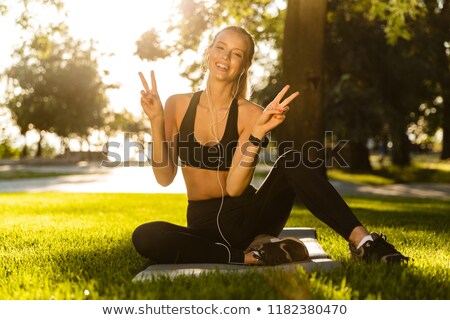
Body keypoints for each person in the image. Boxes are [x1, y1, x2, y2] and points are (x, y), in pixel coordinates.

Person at [132, 26, 409, 265]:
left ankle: (364, 243)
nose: (225, 58)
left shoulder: (252, 114)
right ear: (209, 52)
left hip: (250, 215)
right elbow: (164, 177)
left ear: (244, 66)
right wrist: (156, 121)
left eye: (237, 54)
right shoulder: (176, 105)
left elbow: (234, 188)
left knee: (292, 159)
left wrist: (257, 134)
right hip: (203, 226)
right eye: (221, 48)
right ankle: (250, 254)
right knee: (145, 235)